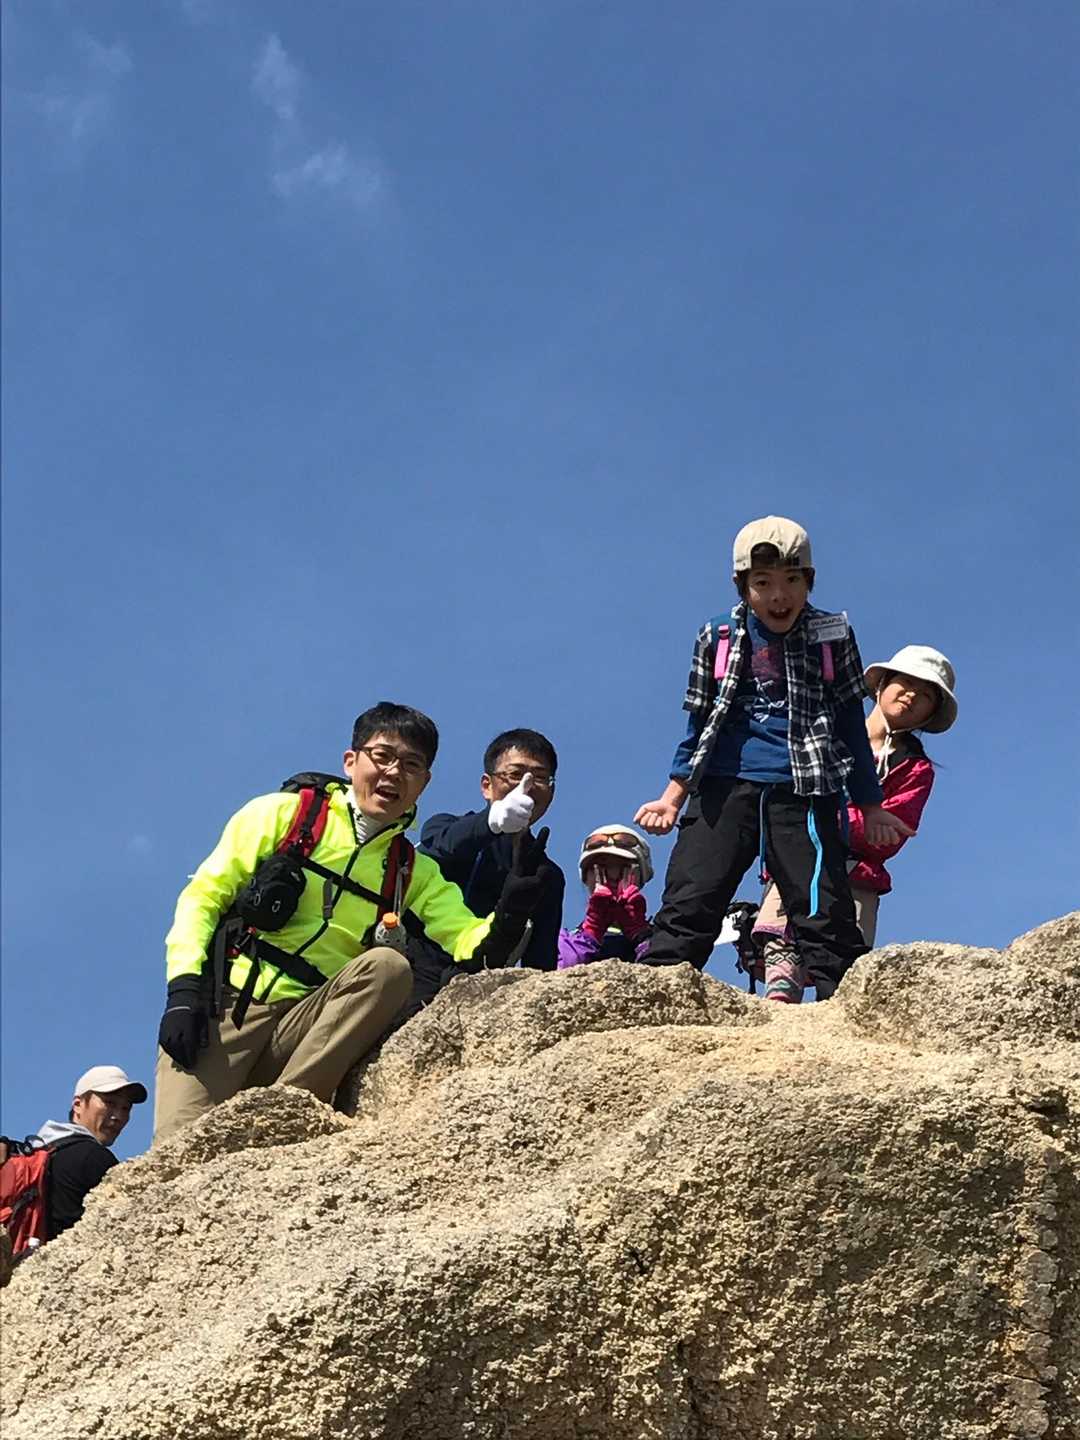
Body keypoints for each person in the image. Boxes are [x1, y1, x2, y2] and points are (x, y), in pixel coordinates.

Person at [154, 703, 554, 1142]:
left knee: (388, 966)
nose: (394, 772)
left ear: (424, 783)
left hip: (307, 1024)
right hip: (227, 1008)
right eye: (382, 756)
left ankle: (287, 1114)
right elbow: (204, 898)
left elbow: (469, 941)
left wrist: (512, 910)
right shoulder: (284, 815)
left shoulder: (411, 871)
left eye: (411, 765)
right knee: (178, 1152)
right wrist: (183, 991)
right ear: (351, 761)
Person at [634, 516, 913, 1000]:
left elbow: (850, 722)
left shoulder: (831, 635)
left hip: (804, 788)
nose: (779, 596)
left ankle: (845, 1011)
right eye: (762, 583)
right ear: (742, 586)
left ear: (810, 581)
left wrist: (870, 806)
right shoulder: (717, 636)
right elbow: (699, 722)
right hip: (724, 784)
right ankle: (653, 1001)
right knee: (691, 899)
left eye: (792, 581)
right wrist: (672, 797)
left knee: (825, 912)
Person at [753, 645, 957, 963]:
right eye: (906, 683)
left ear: (930, 713)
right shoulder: (825, 731)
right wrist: (858, 818)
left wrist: (822, 819)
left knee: (844, 967)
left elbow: (889, 835)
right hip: (796, 861)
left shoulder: (915, 768)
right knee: (782, 950)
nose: (912, 695)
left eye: (926, 695)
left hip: (858, 878)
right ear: (882, 684)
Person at [410, 729, 566, 999]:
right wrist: (493, 822)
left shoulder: (547, 874)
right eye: (515, 774)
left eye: (540, 777)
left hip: (483, 989)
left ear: (551, 791)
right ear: (487, 785)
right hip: (413, 971)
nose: (527, 784)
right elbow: (441, 847)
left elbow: (540, 961)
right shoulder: (445, 825)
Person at [30, 1066, 146, 1242]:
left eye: (125, 1108)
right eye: (109, 1103)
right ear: (78, 1105)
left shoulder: (42, 1149)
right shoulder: (93, 1157)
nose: (118, 1116)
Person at [557, 826, 654, 967]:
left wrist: (641, 935)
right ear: (586, 878)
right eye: (600, 869)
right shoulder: (562, 940)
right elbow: (558, 973)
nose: (613, 876)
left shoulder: (667, 938)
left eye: (623, 868)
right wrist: (591, 931)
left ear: (641, 876)